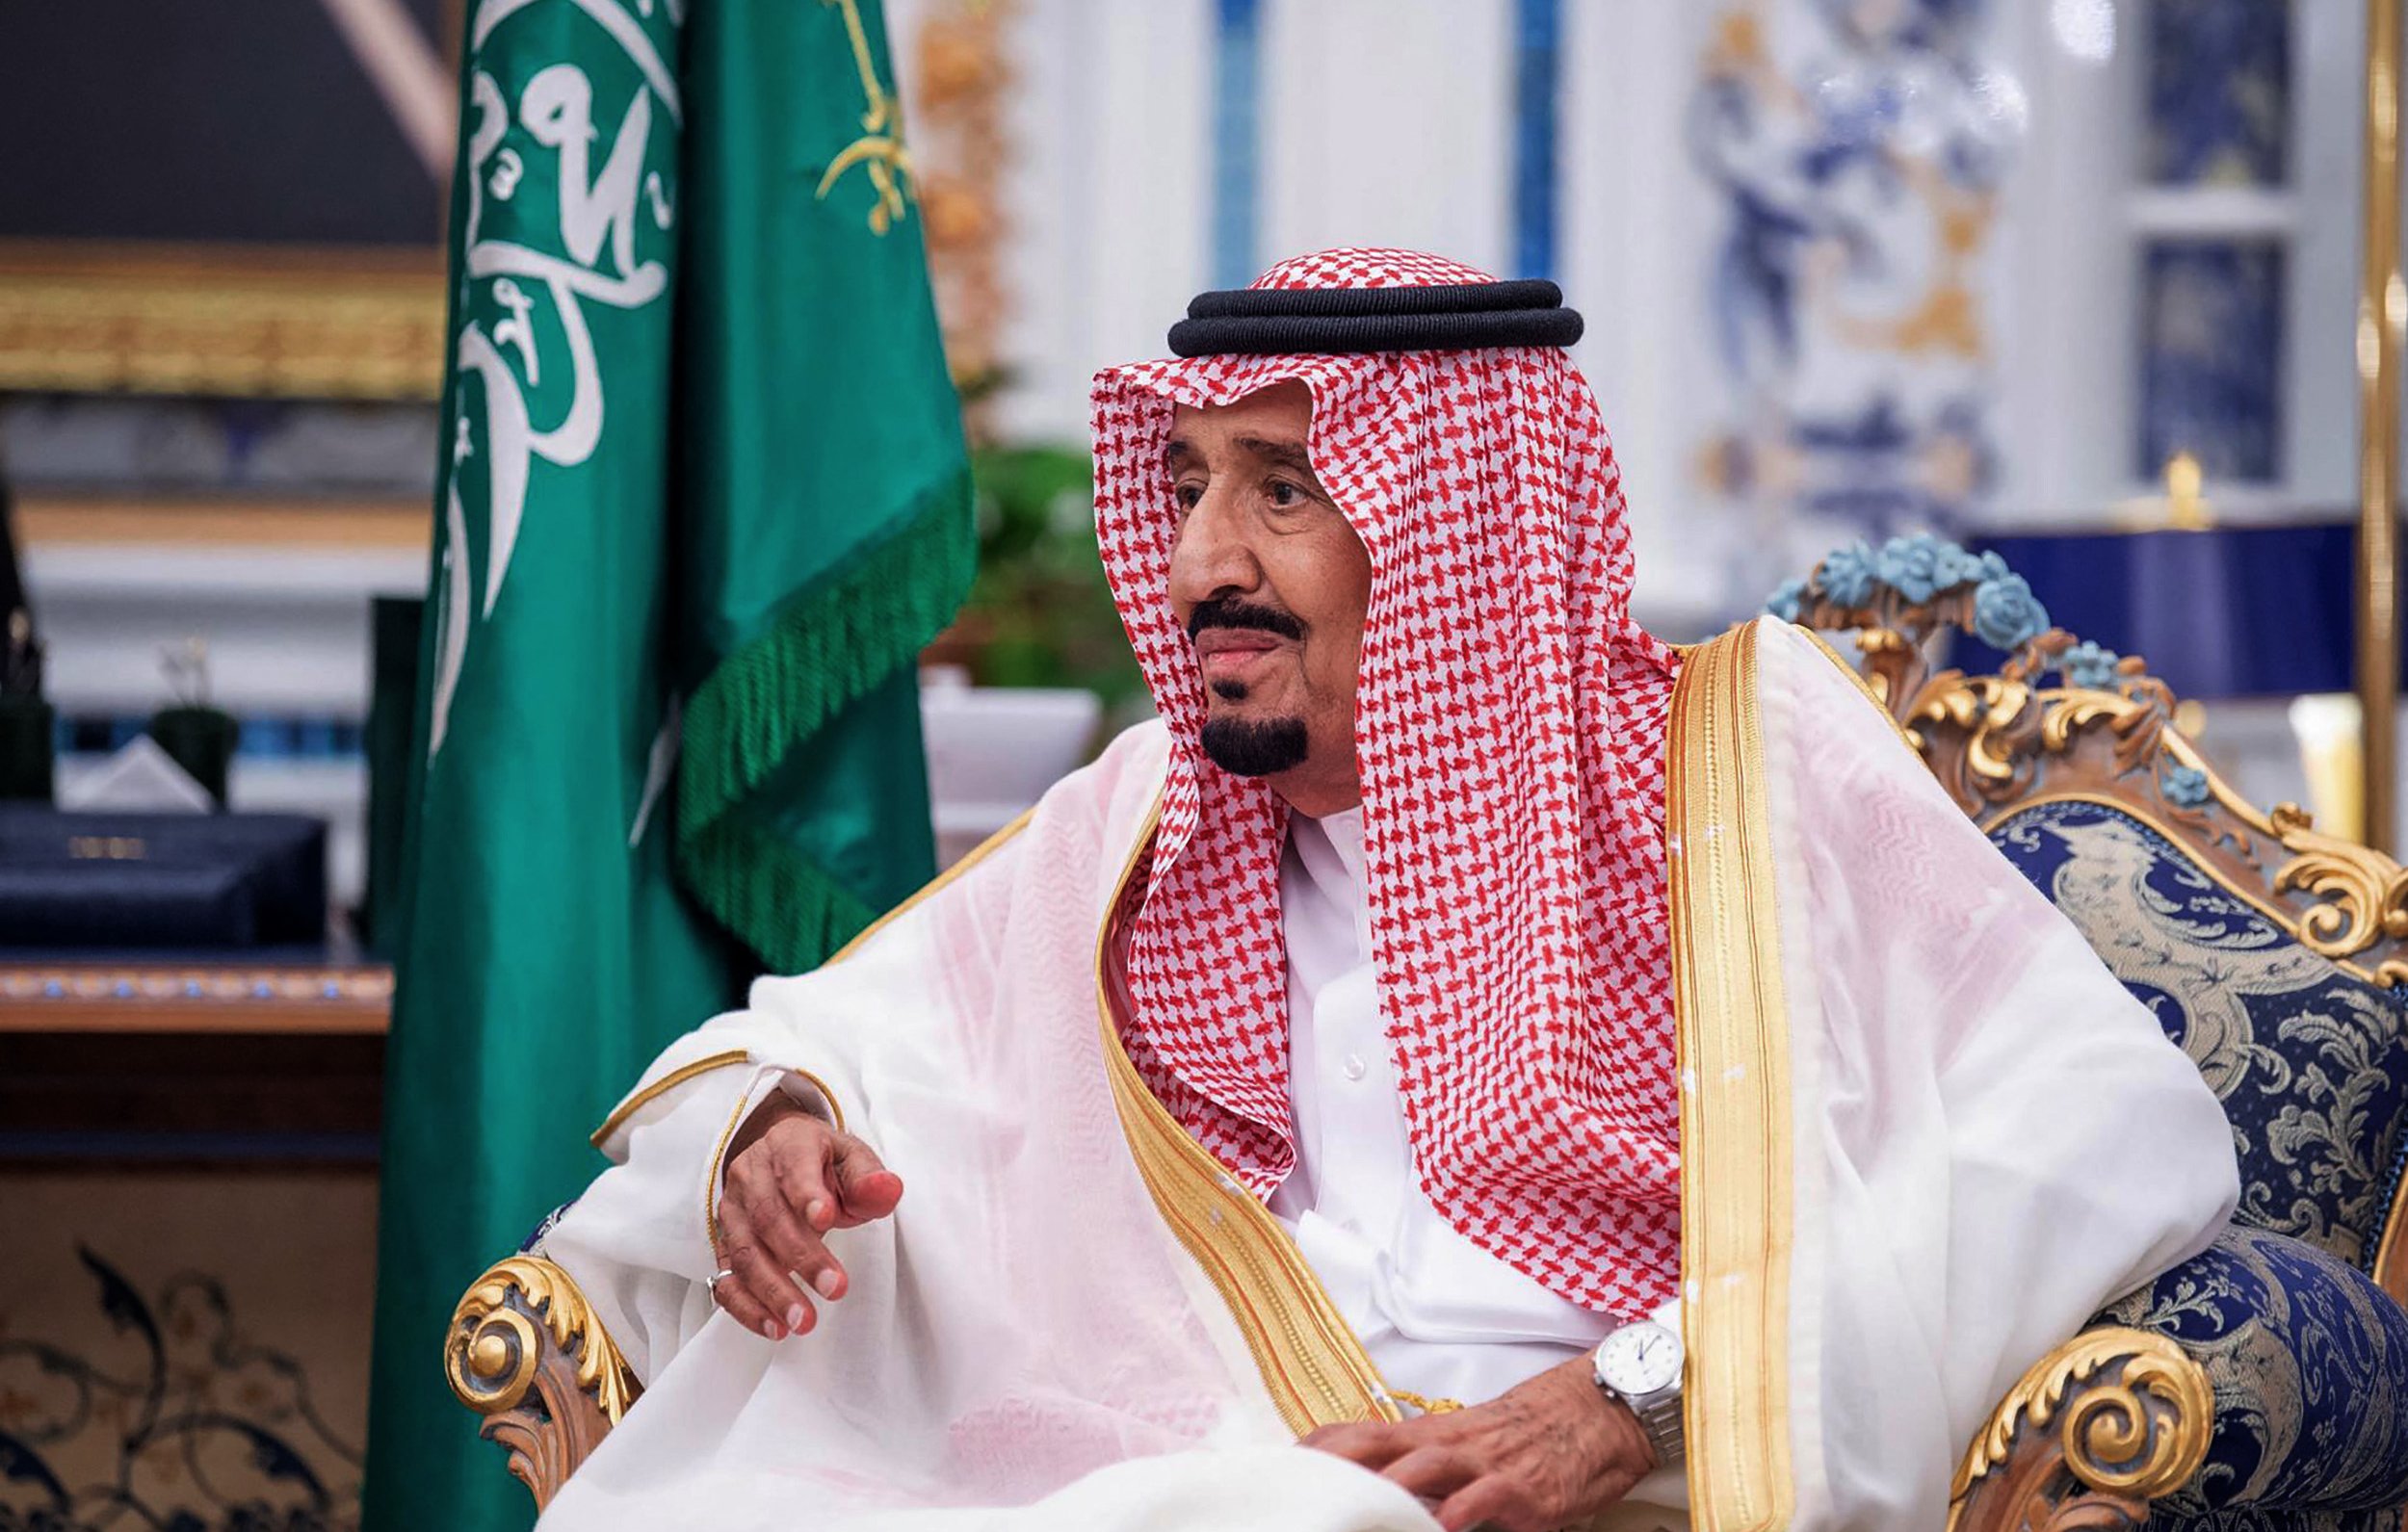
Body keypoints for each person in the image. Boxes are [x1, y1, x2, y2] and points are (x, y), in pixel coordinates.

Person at [533, 248, 2237, 1532]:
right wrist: (773, 1127)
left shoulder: (1740, 761)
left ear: (1463, 531)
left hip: (1588, 1480)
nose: (1205, 562)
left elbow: (2105, 1121)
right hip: (1188, 1450)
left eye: (1285, 491)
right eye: (1188, 487)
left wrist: (1644, 1392)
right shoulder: (1145, 822)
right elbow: (829, 1040)